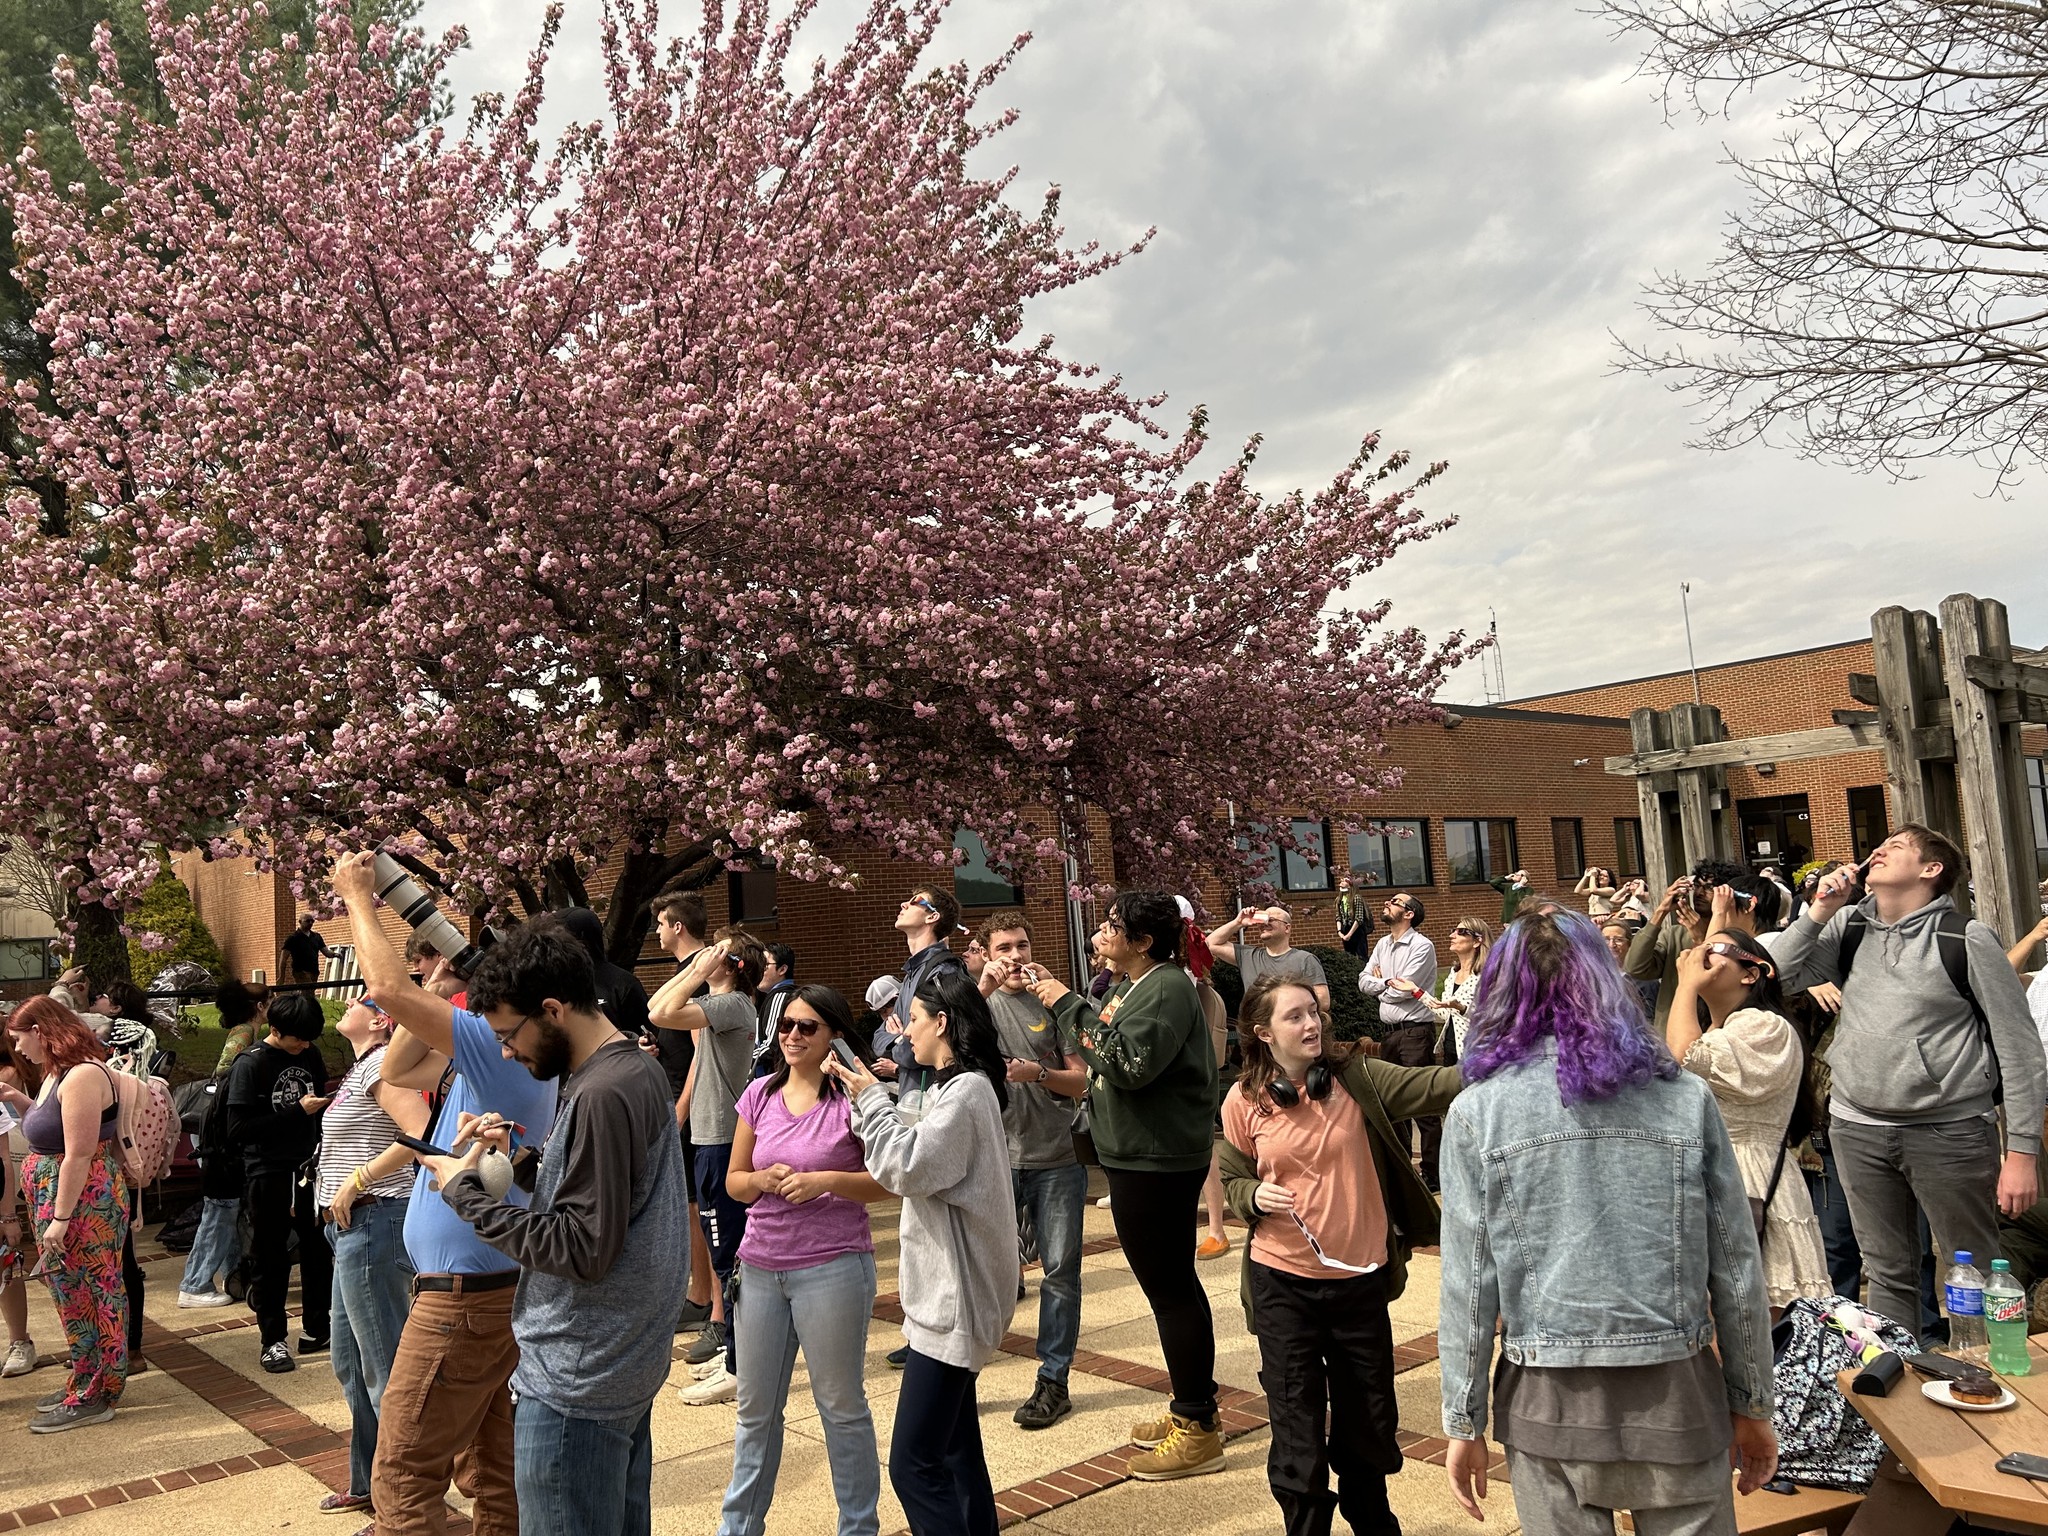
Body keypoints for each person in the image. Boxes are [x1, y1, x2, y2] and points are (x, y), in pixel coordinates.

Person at [1439, 911, 1778, 1535]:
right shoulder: (1684, 1097)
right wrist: (1752, 1401)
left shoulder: (1476, 1113)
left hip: (1546, 1403)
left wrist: (1464, 1419)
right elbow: (1735, 1268)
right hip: (1677, 1394)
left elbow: (1469, 1283)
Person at [408, 915, 689, 1536]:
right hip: (619, 1365)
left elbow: (582, 1247)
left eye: (510, 1035)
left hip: (579, 1379)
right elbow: (602, 1198)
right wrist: (517, 1159)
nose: (506, 1052)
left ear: (554, 1010)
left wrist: (463, 1193)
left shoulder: (599, 1094)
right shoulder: (629, 1069)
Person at [337, 857, 559, 1536]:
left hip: (462, 1303)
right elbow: (399, 1062)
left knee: (402, 1478)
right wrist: (446, 995)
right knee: (495, 1478)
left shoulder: (502, 1054)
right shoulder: (495, 1054)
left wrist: (356, 897)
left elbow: (383, 988)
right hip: (484, 1294)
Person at [1775, 825, 2045, 1339]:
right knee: (1886, 1272)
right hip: (1856, 1126)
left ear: (1931, 869)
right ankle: (1901, 1396)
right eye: (1878, 844)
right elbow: (1778, 976)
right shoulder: (1849, 926)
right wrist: (1819, 911)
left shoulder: (1965, 938)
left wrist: (2023, 1151)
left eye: (1896, 846)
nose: (1877, 850)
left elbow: (2020, 1048)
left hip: (1951, 1131)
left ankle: (1991, 1385)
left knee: (1979, 1271)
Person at [1220, 976, 1462, 1536]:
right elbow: (1232, 1174)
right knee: (1295, 1424)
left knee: (1369, 1418)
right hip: (1282, 1283)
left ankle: (1369, 1514)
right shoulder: (1243, 1101)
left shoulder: (1358, 1079)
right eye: (1295, 1017)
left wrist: (1517, 1051)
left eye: (1315, 1013)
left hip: (1360, 1282)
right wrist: (1250, 1195)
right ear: (1263, 1033)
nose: (1312, 1025)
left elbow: (1439, 1084)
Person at [1031, 892, 1224, 1481]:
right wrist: (1063, 999)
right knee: (1173, 1287)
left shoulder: (1167, 985)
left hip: (1156, 1159)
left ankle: (1198, 1424)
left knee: (1169, 1290)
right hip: (1136, 1155)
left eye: (1115, 926)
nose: (1103, 932)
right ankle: (1192, 1409)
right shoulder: (1131, 983)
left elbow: (1127, 1063)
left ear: (1144, 941)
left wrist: (1066, 1001)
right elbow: (1102, 1043)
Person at [827, 968, 1015, 1536]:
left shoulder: (969, 1091)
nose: (904, 1033)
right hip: (950, 1298)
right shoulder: (953, 1089)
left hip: (954, 1305)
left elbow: (908, 1165)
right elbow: (912, 1131)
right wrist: (872, 1096)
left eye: (912, 1020)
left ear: (943, 1023)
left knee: (912, 1465)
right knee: (957, 1455)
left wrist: (872, 1104)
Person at [715, 985, 892, 1536]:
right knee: (755, 1413)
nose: (792, 1035)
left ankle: (858, 1527)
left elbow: (889, 1181)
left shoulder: (856, 1098)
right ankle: (739, 1527)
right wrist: (759, 1180)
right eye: (787, 1024)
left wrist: (825, 1181)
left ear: (834, 1034)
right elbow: (734, 1183)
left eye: (807, 1027)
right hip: (761, 1267)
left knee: (840, 1407)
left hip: (833, 1267)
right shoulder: (759, 1095)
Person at [1665, 931, 1832, 1314]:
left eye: (1716, 949)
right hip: (1714, 1174)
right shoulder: (1715, 1030)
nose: (1701, 955)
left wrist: (1687, 984)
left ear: (1753, 973)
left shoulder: (1765, 1026)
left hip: (1749, 1176)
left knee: (1765, 1320)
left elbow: (1682, 1055)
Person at [313, 997, 430, 1519]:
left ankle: (401, 1508)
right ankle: (370, 1482)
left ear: (381, 1020)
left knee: (385, 1372)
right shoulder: (363, 1067)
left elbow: (420, 1131)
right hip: (351, 1231)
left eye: (361, 999)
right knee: (350, 1362)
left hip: (375, 1222)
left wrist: (359, 1180)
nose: (345, 1001)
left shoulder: (383, 1063)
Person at [975, 910, 1089, 1430]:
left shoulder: (1053, 1003)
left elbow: (1081, 1081)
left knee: (1060, 1273)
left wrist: (1037, 1073)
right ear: (987, 953)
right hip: (996, 1160)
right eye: (1004, 949)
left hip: (1057, 1160)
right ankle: (962, 1376)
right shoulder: (978, 1004)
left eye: (1021, 946)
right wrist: (981, 984)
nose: (1016, 957)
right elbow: (941, 1044)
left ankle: (1053, 1382)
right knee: (987, 1274)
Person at [649, 926, 767, 1404]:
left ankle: (743, 1365)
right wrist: (697, 971)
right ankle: (739, 1353)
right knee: (726, 1256)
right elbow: (660, 1010)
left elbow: (659, 1010)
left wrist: (696, 969)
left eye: (720, 952)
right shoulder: (719, 1008)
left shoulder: (734, 1004)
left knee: (729, 1255)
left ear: (734, 966)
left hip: (722, 1141)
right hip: (708, 1138)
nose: (705, 957)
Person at [0, 998, 127, 1431]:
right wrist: (17, 1097)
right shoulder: (56, 1073)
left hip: (82, 1202)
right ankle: (85, 1376)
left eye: (19, 1040)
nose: (18, 1050)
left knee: (95, 1293)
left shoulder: (83, 1075)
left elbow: (78, 1154)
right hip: (62, 1198)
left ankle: (100, 1390)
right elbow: (43, 1126)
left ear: (41, 1031)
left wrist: (61, 1216)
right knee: (69, 1293)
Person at [224, 989, 332, 1374]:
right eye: (296, 1038)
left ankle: (318, 1327)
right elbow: (237, 1129)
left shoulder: (310, 1054)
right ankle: (273, 1340)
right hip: (268, 1172)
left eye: (309, 1039)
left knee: (319, 1252)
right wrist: (294, 1112)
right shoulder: (249, 1064)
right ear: (275, 1029)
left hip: (309, 1168)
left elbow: (319, 1107)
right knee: (270, 1258)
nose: (303, 1045)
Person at [646, 891, 719, 1339]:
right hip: (680, 1099)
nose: (656, 930)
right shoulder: (684, 976)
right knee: (691, 1204)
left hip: (691, 1108)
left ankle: (707, 1298)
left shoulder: (700, 979)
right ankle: (699, 1295)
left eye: (661, 923)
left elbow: (701, 1054)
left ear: (679, 927)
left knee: (699, 1206)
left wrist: (681, 1108)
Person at [178, 983, 263, 1307]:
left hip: (216, 1137)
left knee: (226, 1210)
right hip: (220, 1138)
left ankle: (232, 1276)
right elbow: (224, 1071)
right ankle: (195, 1284)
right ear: (258, 1006)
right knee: (220, 1210)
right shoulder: (244, 1034)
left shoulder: (244, 1031)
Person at [1626, 861, 1780, 1031]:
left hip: (1716, 1036)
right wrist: (1661, 911)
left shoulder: (1740, 942)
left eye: (1709, 888)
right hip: (1672, 1033)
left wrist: (1702, 941)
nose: (1699, 893)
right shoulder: (1677, 935)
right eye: (1697, 886)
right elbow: (1635, 967)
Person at [1356, 893, 1440, 1185]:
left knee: (1422, 1104)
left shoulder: (1422, 946)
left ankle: (1433, 1172)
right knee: (1393, 1103)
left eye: (1395, 901)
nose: (1386, 903)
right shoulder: (1381, 944)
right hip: (1389, 1035)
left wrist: (1383, 985)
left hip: (1415, 1032)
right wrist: (1385, 982)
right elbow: (1363, 981)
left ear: (1409, 914)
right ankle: (1404, 1168)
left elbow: (1403, 991)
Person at [0, 1022, 41, 1377]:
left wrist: (8, 1215)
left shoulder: (8, 1074)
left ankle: (20, 1341)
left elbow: (3, 1156)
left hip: (7, 1186)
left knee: (6, 1270)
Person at [1205, 904, 1331, 1014]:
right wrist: (1238, 922)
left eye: (1271, 919)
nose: (1265, 924)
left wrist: (1286, 1010)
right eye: (1262, 920)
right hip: (1255, 1033)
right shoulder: (1249, 956)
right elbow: (1211, 943)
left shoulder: (1305, 959)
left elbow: (1323, 1001)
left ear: (1287, 928)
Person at [1429, 916, 1493, 1062]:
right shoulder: (1453, 974)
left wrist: (1460, 1007)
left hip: (1475, 1053)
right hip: (1450, 1049)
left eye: (1461, 932)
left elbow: (1489, 1016)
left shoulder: (1487, 976)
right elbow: (1446, 1013)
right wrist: (1415, 991)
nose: (1452, 935)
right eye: (1453, 931)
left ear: (1477, 941)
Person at [755, 944, 798, 1070]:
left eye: (764, 965)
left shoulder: (779, 996)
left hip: (775, 1074)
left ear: (782, 969)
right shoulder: (787, 994)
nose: (759, 970)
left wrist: (743, 1060)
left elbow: (771, 1046)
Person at [281, 914, 336, 987]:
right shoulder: (293, 938)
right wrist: (281, 976)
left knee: (310, 992)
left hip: (314, 971)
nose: (310, 923)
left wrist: (335, 954)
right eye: (307, 921)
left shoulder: (316, 937)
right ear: (300, 922)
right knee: (307, 991)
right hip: (300, 971)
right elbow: (283, 958)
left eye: (312, 921)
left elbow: (326, 952)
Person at [1335, 875, 1375, 959]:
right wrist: (1339, 932)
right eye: (1341, 881)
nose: (1341, 883)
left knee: (1361, 956)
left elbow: (1359, 918)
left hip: (1356, 930)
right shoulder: (1339, 899)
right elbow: (1338, 916)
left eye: (1344, 881)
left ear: (1350, 884)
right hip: (1345, 929)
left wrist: (1350, 934)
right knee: (1349, 956)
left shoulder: (1356, 898)